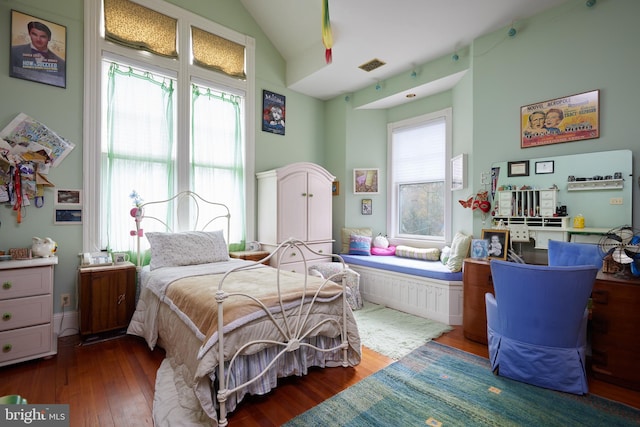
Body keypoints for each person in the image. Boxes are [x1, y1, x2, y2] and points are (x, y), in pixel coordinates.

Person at [11, 21, 66, 87]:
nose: (38, 39)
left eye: (43, 36)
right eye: (34, 34)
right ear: (29, 34)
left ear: (49, 38)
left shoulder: (61, 63)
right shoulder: (14, 51)